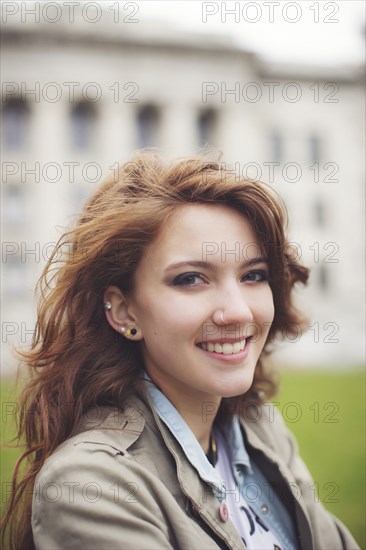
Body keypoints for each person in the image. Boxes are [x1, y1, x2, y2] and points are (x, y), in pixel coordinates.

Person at [1, 153, 359, 550]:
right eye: (191, 279)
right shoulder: (90, 484)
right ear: (123, 310)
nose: (238, 311)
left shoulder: (259, 425)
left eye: (253, 275)